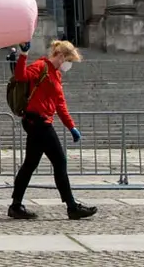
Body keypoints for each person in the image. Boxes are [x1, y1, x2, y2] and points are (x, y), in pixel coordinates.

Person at [8, 39, 97, 221]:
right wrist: (24, 55)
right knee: (60, 161)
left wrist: (71, 127)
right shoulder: (41, 66)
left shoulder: (56, 75)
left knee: (30, 164)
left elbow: (60, 104)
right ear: (61, 56)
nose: (69, 65)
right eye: (69, 60)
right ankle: (72, 207)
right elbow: (20, 76)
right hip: (37, 122)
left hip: (41, 122)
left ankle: (15, 206)